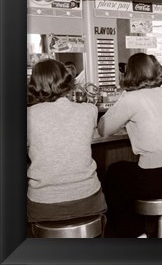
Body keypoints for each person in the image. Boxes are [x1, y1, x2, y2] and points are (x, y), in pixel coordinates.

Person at [98, 53, 162, 237]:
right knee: (125, 173)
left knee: (115, 173)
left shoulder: (131, 98)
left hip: (155, 179)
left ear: (129, 73)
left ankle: (135, 233)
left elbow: (103, 129)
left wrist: (123, 96)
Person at [27, 59, 107, 227]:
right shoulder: (89, 110)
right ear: (66, 79)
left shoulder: (28, 115)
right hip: (88, 199)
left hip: (44, 205)